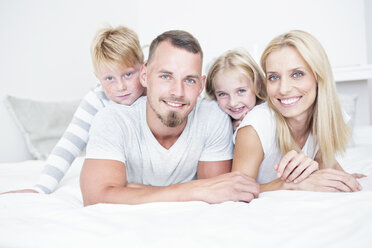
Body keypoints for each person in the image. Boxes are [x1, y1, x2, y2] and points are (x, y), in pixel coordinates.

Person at [80, 30, 259, 206]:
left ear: (201, 85)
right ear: (144, 75)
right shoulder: (113, 120)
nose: (178, 92)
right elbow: (96, 197)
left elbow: (219, 194)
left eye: (189, 80)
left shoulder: (213, 117)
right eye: (166, 76)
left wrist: (129, 189)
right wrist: (192, 190)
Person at [5, 25, 145, 194]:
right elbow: (69, 144)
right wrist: (41, 188)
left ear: (143, 68)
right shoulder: (97, 99)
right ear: (98, 78)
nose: (121, 86)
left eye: (128, 74)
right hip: (116, 172)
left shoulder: (154, 92)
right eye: (109, 78)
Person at [232, 30, 363, 192]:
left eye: (297, 74)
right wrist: (290, 185)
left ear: (318, 77)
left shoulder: (324, 116)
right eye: (274, 77)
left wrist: (342, 177)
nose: (284, 89)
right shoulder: (256, 127)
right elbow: (236, 191)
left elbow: (323, 161)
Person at [205, 49, 266, 131]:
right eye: (223, 94)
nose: (233, 103)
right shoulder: (217, 121)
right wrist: (231, 131)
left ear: (258, 86)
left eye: (241, 91)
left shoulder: (267, 116)